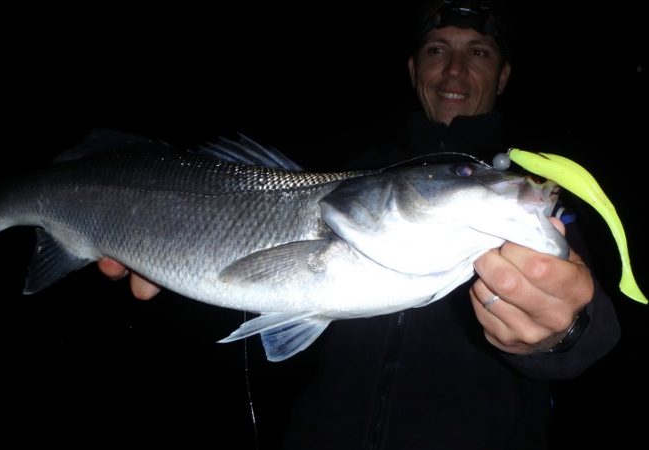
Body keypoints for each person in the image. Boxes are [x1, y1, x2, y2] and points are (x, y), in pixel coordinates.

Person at [98, 1, 621, 448]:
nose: (455, 70)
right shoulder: (355, 169)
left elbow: (592, 320)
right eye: (438, 49)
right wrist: (163, 238)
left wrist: (564, 332)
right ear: (414, 68)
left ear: (504, 75)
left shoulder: (525, 195)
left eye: (478, 52)